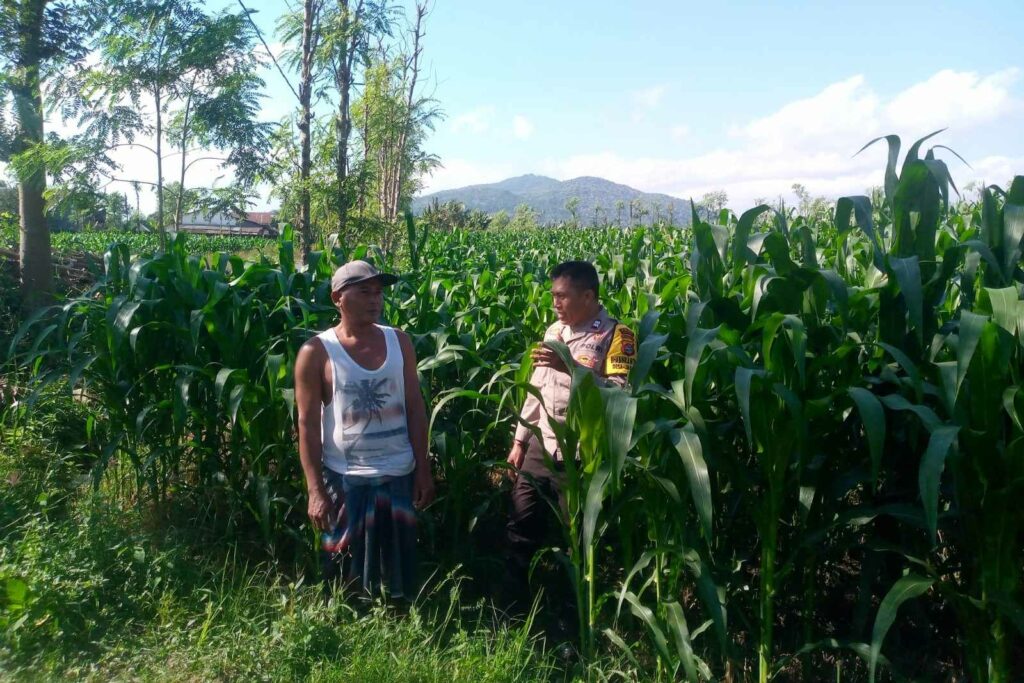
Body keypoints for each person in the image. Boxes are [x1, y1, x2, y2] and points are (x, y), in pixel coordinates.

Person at [295, 259, 435, 600]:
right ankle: (346, 618)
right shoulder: (316, 352)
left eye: (378, 293)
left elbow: (415, 408)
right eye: (364, 292)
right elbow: (308, 425)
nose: (375, 300)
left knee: (397, 567)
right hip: (346, 478)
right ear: (337, 298)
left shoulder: (399, 342)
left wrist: (423, 469)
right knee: (344, 569)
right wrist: (315, 490)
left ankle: (399, 616)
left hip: (398, 471)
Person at [504, 260, 636, 619]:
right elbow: (537, 388)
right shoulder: (554, 331)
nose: (555, 304)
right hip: (541, 444)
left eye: (561, 296)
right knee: (520, 524)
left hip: (581, 452)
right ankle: (511, 611)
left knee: (575, 538)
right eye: (553, 296)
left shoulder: (618, 335)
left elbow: (619, 395)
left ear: (588, 296)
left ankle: (572, 618)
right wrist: (519, 440)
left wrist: (572, 368)